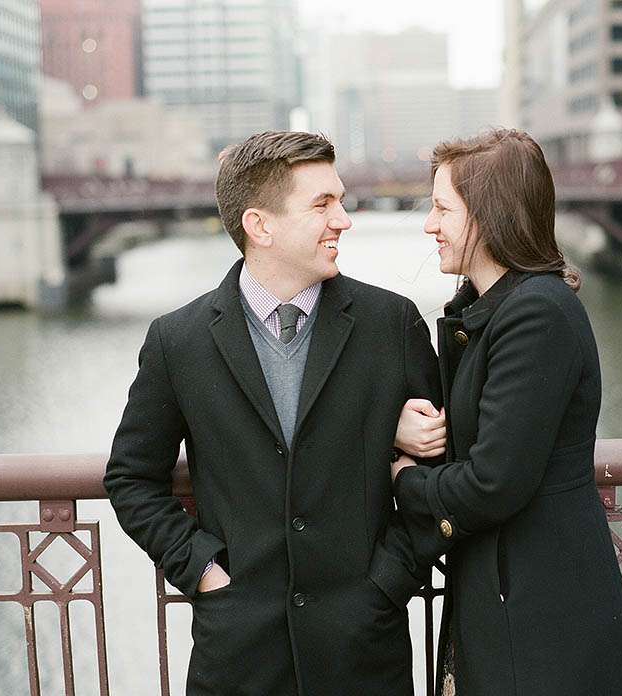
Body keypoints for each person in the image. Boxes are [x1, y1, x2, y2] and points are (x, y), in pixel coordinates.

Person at [104, 131, 441, 696]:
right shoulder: (177, 342)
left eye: (339, 199)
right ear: (260, 226)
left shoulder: (392, 324)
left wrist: (389, 580)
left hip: (363, 652)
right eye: (322, 205)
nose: (344, 220)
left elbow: (435, 466)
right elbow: (131, 478)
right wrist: (203, 572)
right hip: (238, 657)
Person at [391, 129, 622, 695]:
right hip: (511, 590)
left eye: (442, 209)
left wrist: (405, 481)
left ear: (489, 216)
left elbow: (494, 481)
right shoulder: (491, 310)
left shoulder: (538, 315)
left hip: (542, 607)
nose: (430, 224)